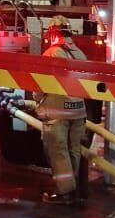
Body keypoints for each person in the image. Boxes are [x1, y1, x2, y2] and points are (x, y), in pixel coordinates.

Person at [37, 16, 88, 205]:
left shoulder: (51, 53)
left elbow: (42, 84)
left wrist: (37, 100)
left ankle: (65, 192)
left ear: (52, 32)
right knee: (73, 150)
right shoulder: (80, 54)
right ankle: (73, 189)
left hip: (57, 112)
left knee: (58, 152)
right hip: (78, 111)